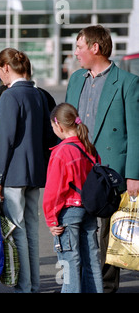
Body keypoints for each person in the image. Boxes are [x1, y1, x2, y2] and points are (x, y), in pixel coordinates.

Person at [65, 25, 139, 293]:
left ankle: (105, 288)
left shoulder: (128, 83)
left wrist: (133, 175)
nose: (75, 53)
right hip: (78, 166)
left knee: (109, 235)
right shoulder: (75, 79)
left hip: (111, 170)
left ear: (95, 48)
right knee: (77, 228)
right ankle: (78, 284)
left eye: (79, 47)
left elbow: (135, 132)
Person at [0, 48, 54, 293]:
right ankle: (33, 285)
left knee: (18, 232)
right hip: (35, 172)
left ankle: (24, 287)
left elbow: (4, 140)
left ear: (6, 67)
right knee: (32, 232)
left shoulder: (9, 96)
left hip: (14, 173)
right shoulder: (38, 94)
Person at [43, 103, 103, 293]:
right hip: (89, 210)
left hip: (68, 213)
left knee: (69, 265)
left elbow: (54, 191)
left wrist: (51, 219)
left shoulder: (61, 152)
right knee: (92, 260)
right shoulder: (89, 148)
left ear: (58, 126)